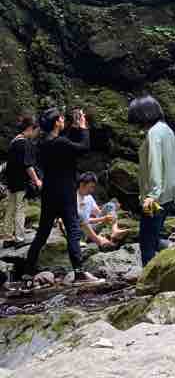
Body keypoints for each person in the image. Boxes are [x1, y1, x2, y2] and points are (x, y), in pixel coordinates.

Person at [24, 108, 99, 282]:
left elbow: (66, 142)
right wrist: (83, 128)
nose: (64, 120)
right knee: (73, 230)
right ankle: (79, 272)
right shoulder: (61, 143)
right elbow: (83, 148)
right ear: (57, 122)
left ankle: (28, 269)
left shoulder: (43, 143)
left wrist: (75, 128)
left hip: (49, 192)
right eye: (62, 119)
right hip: (65, 192)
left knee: (42, 233)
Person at [129, 95, 175, 266]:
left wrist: (152, 194)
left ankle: (149, 277)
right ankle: (172, 258)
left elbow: (155, 164)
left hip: (156, 197)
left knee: (146, 241)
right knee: (155, 235)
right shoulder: (166, 129)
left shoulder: (153, 133)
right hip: (170, 192)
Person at [3, 116, 42, 247]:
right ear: (30, 128)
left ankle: (7, 238)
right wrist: (37, 180)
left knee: (10, 209)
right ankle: (19, 238)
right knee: (20, 209)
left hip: (11, 182)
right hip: (21, 182)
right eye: (36, 131)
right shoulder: (24, 143)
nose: (36, 134)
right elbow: (28, 165)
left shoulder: (14, 142)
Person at [76, 172, 129, 249]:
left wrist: (111, 212)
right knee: (81, 216)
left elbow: (98, 212)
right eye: (91, 187)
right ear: (82, 184)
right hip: (82, 230)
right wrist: (102, 219)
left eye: (93, 187)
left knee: (110, 205)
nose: (92, 190)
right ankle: (98, 240)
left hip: (92, 227)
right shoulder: (74, 198)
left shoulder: (89, 197)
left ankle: (115, 230)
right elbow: (81, 220)